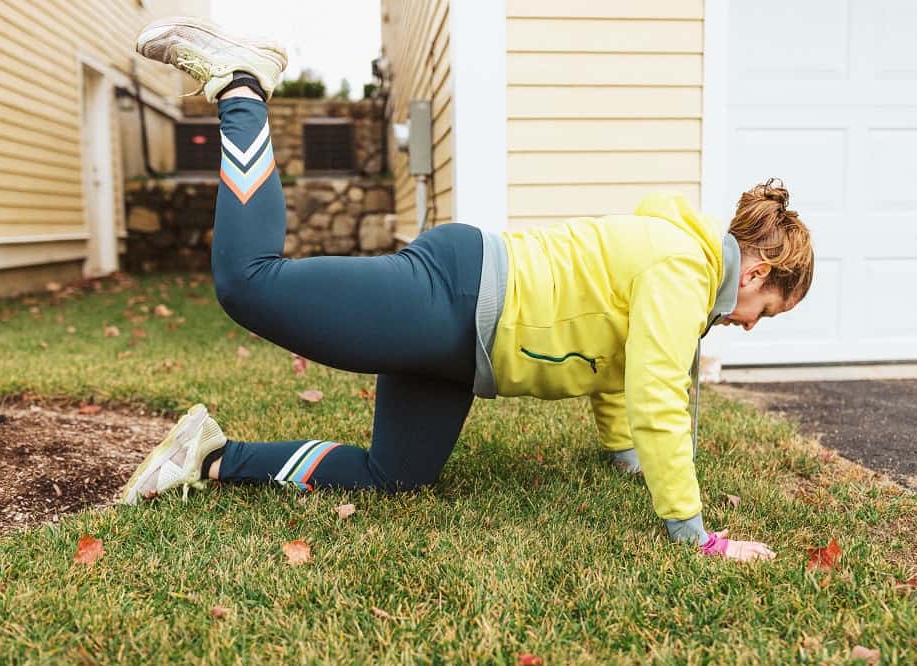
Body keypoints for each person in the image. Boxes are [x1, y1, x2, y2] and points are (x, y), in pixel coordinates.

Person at [120, 18, 814, 562]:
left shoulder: (677, 273)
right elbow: (658, 392)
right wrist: (695, 533)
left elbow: (621, 364)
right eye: (767, 311)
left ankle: (207, 457)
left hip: (460, 353)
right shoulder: (686, 272)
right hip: (453, 296)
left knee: (396, 475)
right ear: (756, 275)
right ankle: (244, 83)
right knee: (249, 283)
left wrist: (622, 453)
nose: (751, 323)